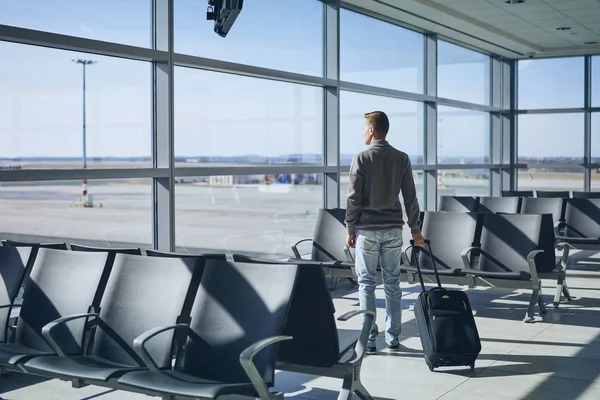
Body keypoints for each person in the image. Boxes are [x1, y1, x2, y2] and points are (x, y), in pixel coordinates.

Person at [345, 110, 424, 355]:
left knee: (366, 284)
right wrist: (416, 230)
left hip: (367, 231)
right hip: (393, 230)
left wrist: (350, 227)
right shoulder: (402, 158)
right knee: (392, 284)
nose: (361, 132)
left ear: (371, 129)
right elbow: (410, 197)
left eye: (363, 128)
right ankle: (393, 337)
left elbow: (353, 198)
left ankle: (369, 338)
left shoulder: (361, 158)